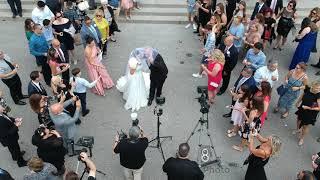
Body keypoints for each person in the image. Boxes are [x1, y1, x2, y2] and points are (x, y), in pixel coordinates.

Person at [294, 81, 320, 146]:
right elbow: (302, 95)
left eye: (319, 88)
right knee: (298, 119)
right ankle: (298, 129)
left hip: (311, 112)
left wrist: (308, 108)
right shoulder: (308, 89)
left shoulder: (319, 95)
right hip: (302, 108)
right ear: (312, 86)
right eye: (316, 88)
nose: (317, 89)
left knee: (305, 126)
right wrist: (298, 102)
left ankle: (302, 138)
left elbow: (319, 108)